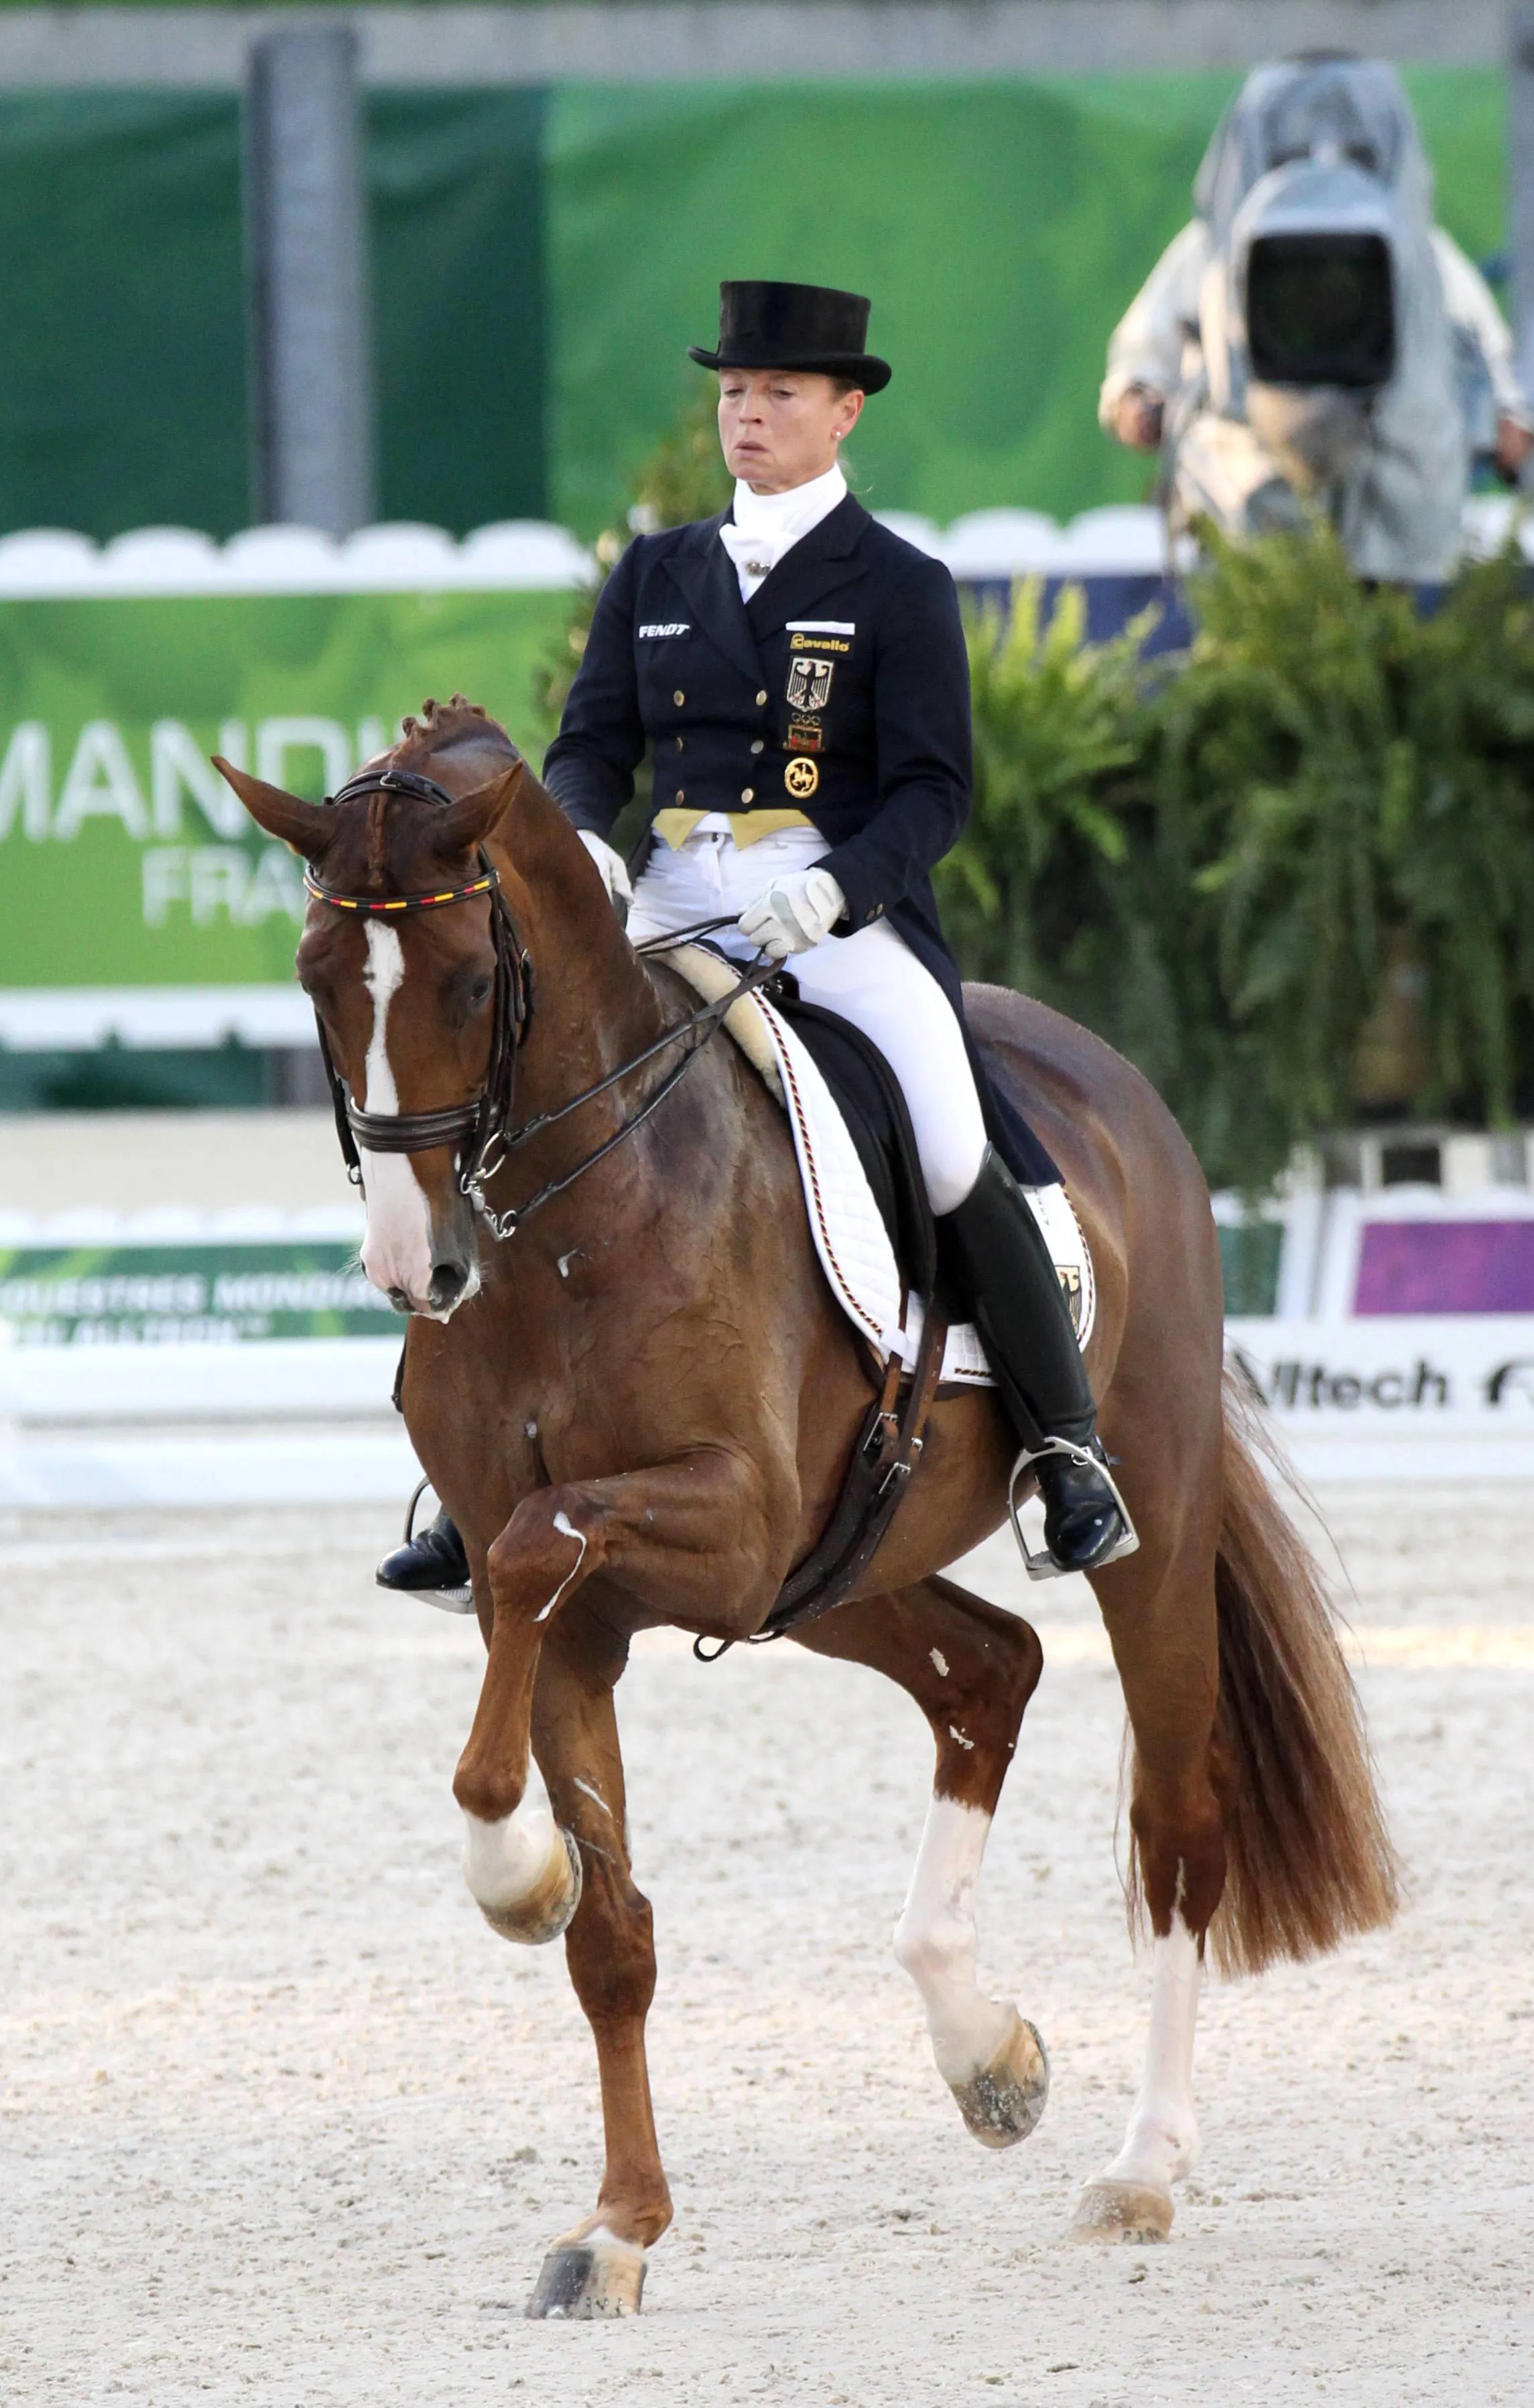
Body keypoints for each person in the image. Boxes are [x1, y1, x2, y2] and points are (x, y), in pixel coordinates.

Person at [381, 279, 1135, 1604]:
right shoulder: (656, 572)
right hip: (670, 897)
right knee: (507, 1096)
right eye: (734, 392)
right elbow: (594, 743)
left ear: (843, 413)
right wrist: (584, 838)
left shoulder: (899, 585)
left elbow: (932, 791)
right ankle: (465, 1469)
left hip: (831, 916)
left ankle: (1063, 1449)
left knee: (949, 1135)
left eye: (779, 393)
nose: (749, 414)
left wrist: (837, 888)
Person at [1101, 53, 1534, 580]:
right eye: (1289, 153)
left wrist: (1506, 418)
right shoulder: (1210, 257)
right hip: (1249, 529)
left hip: (1397, 534)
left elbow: (1488, 357)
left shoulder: (1422, 263)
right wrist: (1139, 403)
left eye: (1354, 152)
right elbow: (1141, 357)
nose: (1323, 163)